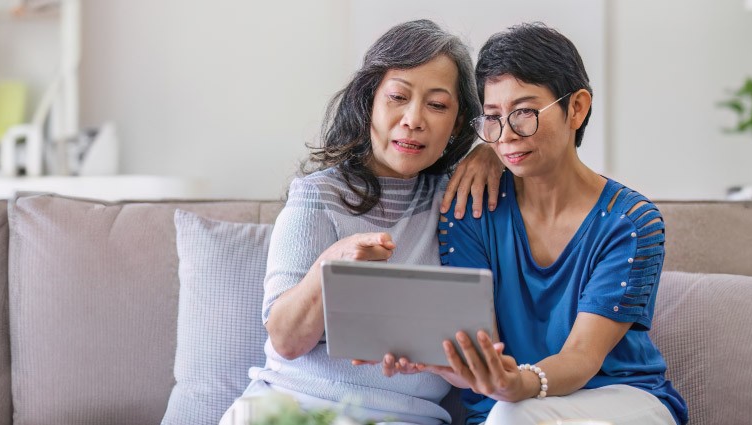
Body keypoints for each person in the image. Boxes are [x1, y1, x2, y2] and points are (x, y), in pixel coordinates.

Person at [408, 23, 689, 425]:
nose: (506, 136)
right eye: (493, 118)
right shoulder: (469, 211)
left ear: (576, 108)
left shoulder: (630, 222)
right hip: (505, 408)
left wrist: (520, 384)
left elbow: (582, 357)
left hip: (619, 400)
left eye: (524, 113)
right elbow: (482, 352)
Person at [219, 19, 496, 425]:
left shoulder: (459, 203)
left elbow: (481, 356)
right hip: (291, 405)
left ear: (457, 124)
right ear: (369, 102)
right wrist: (334, 262)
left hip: (403, 417)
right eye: (398, 97)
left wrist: (494, 153)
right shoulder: (317, 195)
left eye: (437, 105)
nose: (413, 119)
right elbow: (286, 339)